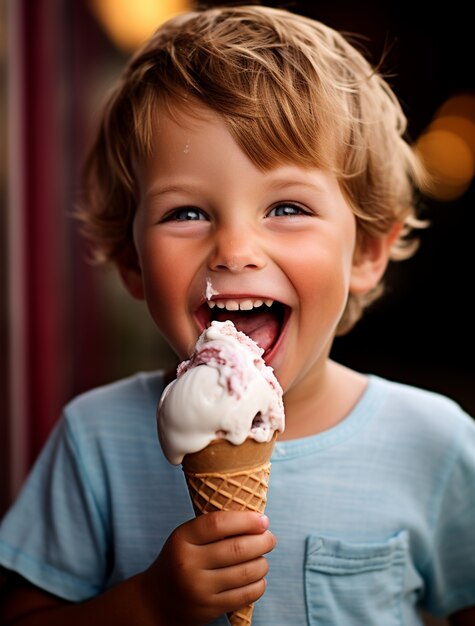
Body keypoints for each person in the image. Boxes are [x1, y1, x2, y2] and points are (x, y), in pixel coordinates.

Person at [0, 5, 474, 625]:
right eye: (187, 213)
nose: (235, 250)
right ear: (132, 264)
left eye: (286, 207)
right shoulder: (96, 440)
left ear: (365, 252)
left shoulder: (433, 443)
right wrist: (146, 605)